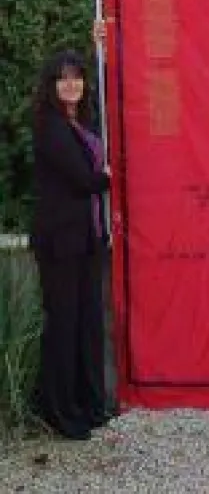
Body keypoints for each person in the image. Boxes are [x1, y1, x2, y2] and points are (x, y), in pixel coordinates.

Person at [30, 47, 111, 440]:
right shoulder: (50, 126)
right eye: (63, 78)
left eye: (76, 76)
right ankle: (59, 413)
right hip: (61, 243)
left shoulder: (82, 122)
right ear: (51, 85)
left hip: (88, 239)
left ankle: (88, 404)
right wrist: (107, 176)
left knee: (87, 324)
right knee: (63, 327)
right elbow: (83, 180)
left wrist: (103, 44)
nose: (71, 83)